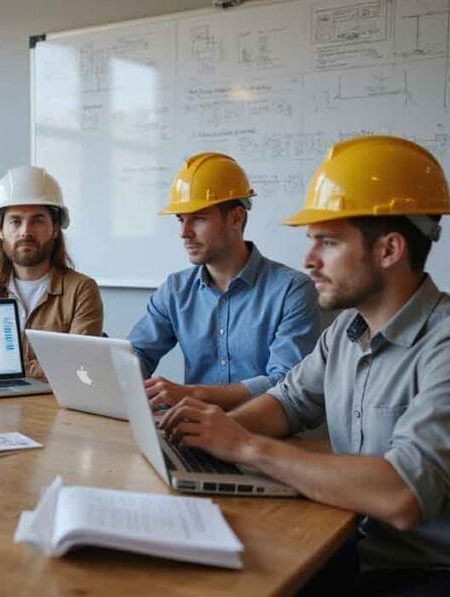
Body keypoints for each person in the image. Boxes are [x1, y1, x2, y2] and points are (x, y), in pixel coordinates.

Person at [160, 136, 450, 593]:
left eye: (328, 243)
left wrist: (247, 448)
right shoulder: (345, 333)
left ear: (389, 250)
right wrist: (210, 435)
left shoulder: (444, 344)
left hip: (424, 573)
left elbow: (403, 495)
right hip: (353, 545)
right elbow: (287, 402)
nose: (308, 261)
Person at [128, 153, 320, 411]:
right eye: (181, 219)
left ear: (236, 219)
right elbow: (136, 355)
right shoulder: (175, 291)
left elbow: (284, 384)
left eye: (198, 218)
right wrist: (124, 375)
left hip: (264, 437)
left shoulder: (292, 290)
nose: (184, 233)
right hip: (191, 432)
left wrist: (191, 394)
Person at [0, 166, 103, 379]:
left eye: (38, 220)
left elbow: (77, 367)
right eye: (15, 221)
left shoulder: (81, 290)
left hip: (53, 408)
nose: (25, 232)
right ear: (0, 230)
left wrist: (7, 367)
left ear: (56, 228)